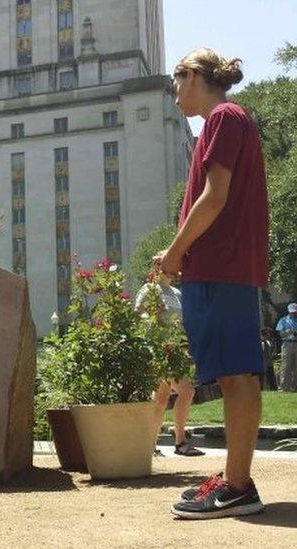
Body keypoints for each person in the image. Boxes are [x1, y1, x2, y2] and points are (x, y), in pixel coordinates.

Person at [158, 49, 267, 519]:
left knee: (236, 375)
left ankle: (238, 486)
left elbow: (214, 195)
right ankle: (234, 481)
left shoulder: (224, 116)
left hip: (221, 267)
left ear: (195, 76)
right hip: (219, 268)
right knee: (231, 373)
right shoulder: (220, 124)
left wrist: (176, 251)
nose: (175, 91)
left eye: (177, 80)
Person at [135, 272, 204, 457]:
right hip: (160, 349)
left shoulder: (176, 292)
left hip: (176, 349)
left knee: (161, 399)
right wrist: (152, 318)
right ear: (159, 266)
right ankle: (180, 442)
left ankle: (149, 445)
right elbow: (137, 313)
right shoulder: (149, 289)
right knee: (187, 391)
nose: (176, 269)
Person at [275, 303, 297, 391]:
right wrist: (290, 332)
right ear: (289, 311)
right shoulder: (283, 320)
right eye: (292, 312)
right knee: (286, 366)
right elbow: (281, 334)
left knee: (296, 367)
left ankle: (294, 387)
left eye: (295, 312)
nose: (294, 314)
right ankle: (284, 387)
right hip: (287, 344)